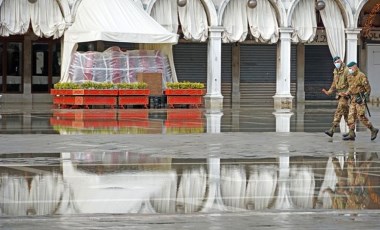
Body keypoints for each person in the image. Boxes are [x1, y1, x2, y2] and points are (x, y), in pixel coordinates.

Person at [342, 61, 379, 141]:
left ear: (355, 67)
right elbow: (351, 87)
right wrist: (346, 93)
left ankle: (373, 130)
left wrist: (364, 97)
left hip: (360, 99)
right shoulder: (350, 76)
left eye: (350, 68)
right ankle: (351, 133)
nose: (349, 70)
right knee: (351, 116)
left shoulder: (361, 75)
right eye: (348, 69)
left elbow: (368, 89)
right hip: (353, 99)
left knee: (361, 116)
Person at [322, 56, 350, 137]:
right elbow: (334, 83)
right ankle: (352, 132)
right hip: (340, 94)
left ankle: (332, 130)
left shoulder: (347, 70)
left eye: (338, 61)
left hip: (345, 95)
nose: (337, 63)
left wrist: (348, 93)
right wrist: (329, 92)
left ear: (341, 61)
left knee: (338, 112)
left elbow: (351, 84)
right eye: (335, 62)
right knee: (346, 114)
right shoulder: (336, 71)